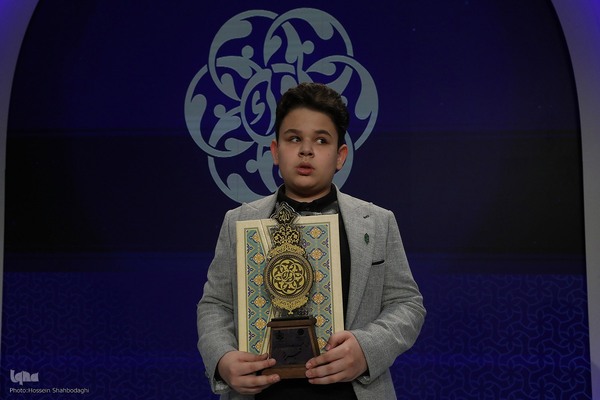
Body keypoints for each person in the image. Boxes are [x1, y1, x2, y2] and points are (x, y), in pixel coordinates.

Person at [197, 82, 426, 399]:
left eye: (321, 140)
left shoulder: (377, 221)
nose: (306, 150)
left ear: (340, 156)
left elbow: (407, 304)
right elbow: (215, 305)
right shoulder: (238, 222)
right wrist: (223, 359)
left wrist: (366, 349)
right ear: (275, 151)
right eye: (294, 139)